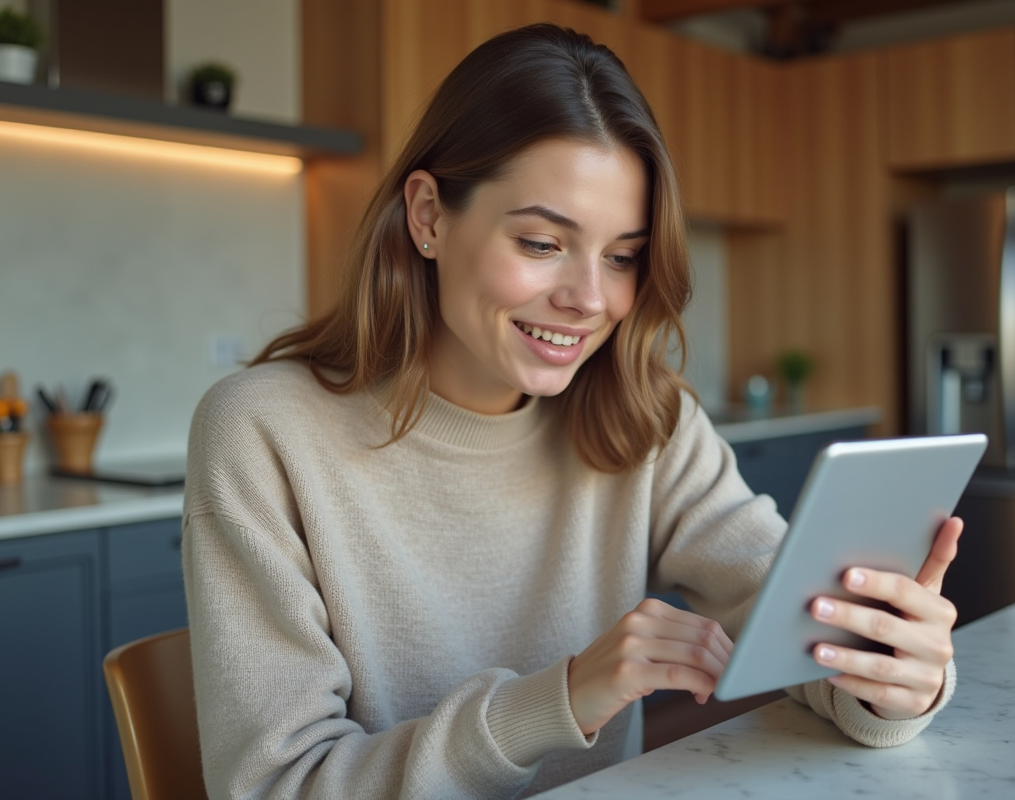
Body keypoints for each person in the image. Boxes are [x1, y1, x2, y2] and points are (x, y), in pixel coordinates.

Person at [182, 23, 961, 800]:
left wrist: (891, 672)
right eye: (541, 243)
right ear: (428, 216)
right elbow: (278, 786)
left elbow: (796, 620)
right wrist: (556, 700)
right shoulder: (263, 432)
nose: (590, 299)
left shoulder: (645, 415)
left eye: (622, 257)